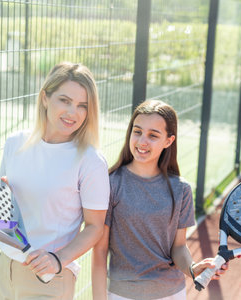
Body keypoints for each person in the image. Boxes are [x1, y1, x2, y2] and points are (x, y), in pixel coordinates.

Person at [0, 62, 110, 299]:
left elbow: (95, 227)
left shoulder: (91, 161)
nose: (72, 113)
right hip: (5, 268)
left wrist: (58, 260)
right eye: (64, 100)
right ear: (45, 98)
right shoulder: (15, 143)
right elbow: (6, 208)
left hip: (50, 278)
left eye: (82, 106)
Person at [92, 100, 228, 300]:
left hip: (171, 293)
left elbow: (179, 247)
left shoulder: (181, 189)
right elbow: (100, 251)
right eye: (137, 131)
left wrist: (192, 269)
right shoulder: (111, 184)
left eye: (153, 135)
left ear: (168, 141)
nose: (142, 141)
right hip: (122, 294)